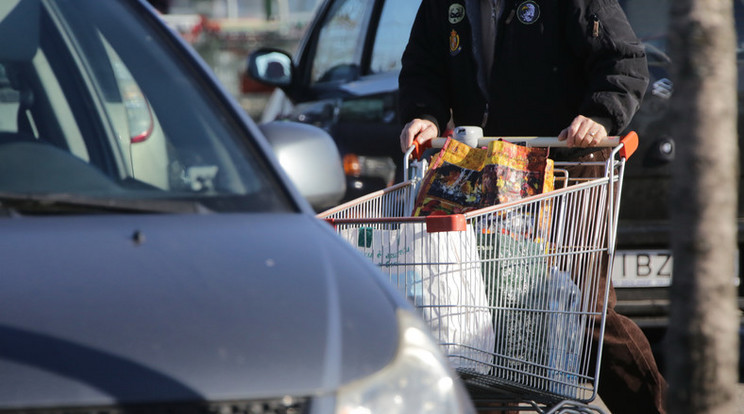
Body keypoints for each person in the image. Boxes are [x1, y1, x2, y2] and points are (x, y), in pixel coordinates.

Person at [397, 1, 666, 413]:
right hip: (486, 176)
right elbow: (423, 67)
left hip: (567, 170)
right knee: (485, 318)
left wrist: (598, 115)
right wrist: (425, 116)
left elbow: (623, 59)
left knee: (581, 312)